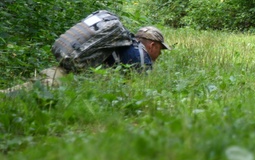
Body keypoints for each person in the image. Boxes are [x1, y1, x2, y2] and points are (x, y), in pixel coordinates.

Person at [3, 25, 171, 94]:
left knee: (38, 84)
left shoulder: (125, 43)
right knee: (42, 89)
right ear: (153, 46)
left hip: (72, 64)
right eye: (160, 50)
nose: (159, 55)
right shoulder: (142, 59)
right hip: (80, 78)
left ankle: (8, 93)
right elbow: (135, 92)